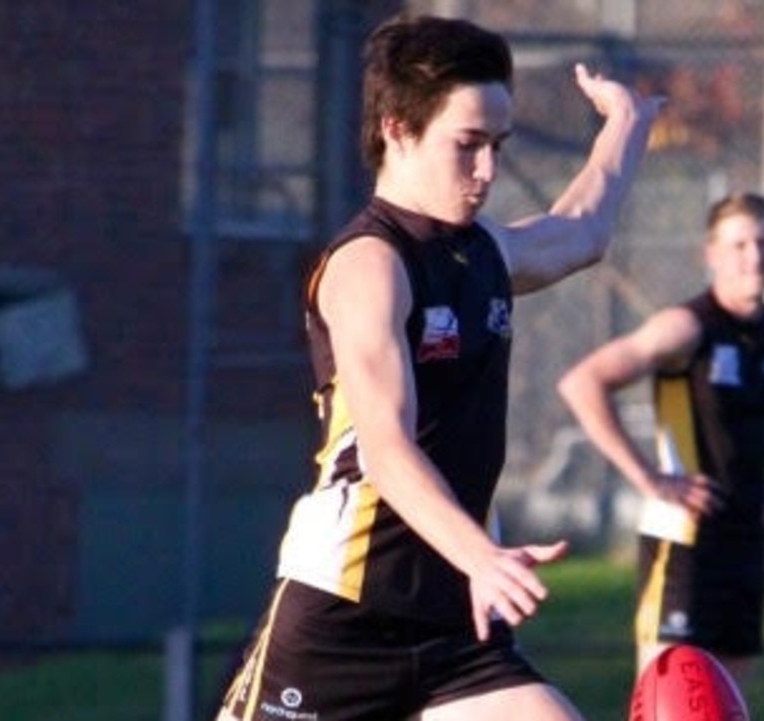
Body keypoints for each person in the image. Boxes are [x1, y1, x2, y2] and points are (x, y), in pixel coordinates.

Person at [214, 14, 662, 721]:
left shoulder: (483, 251)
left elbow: (583, 230)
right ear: (397, 128)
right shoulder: (368, 265)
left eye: (497, 146)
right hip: (345, 613)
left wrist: (626, 123)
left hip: (454, 619)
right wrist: (483, 556)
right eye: (468, 145)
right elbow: (388, 451)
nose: (487, 170)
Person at [556, 192, 764, 683]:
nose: (755, 256)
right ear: (711, 254)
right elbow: (582, 383)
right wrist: (652, 479)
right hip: (683, 542)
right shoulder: (686, 328)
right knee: (670, 698)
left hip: (745, 539)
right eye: (740, 243)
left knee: (729, 702)